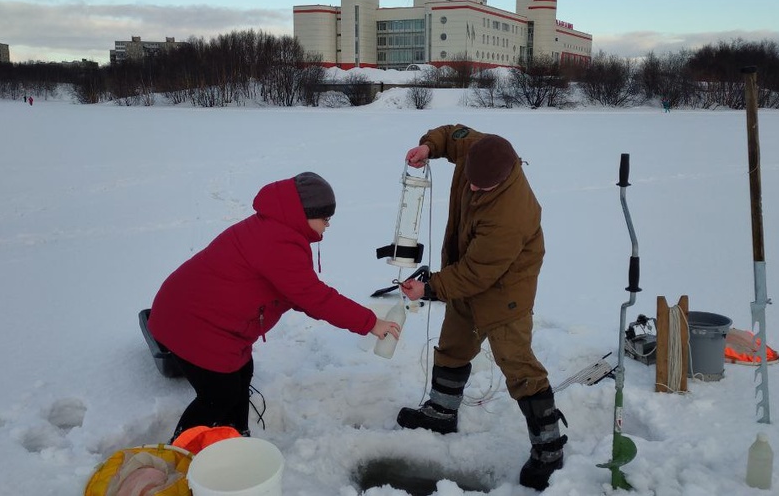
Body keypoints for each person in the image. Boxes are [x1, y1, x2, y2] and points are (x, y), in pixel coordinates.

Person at [147, 172, 401, 440]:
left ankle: (235, 436)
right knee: (219, 395)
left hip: (207, 318)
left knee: (242, 373)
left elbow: (298, 293)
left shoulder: (278, 228)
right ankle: (179, 452)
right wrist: (370, 322)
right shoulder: (278, 242)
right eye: (325, 218)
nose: (327, 226)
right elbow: (314, 297)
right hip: (192, 322)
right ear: (306, 214)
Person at [396, 125, 566, 491]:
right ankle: (441, 411)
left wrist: (430, 288)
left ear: (503, 179)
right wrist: (429, 147)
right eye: (470, 181)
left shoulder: (510, 214)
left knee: (518, 365)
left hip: (505, 290)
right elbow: (448, 135)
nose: (473, 188)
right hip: (465, 274)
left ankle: (549, 447)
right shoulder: (478, 148)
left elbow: (476, 274)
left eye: (482, 187)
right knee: (454, 342)